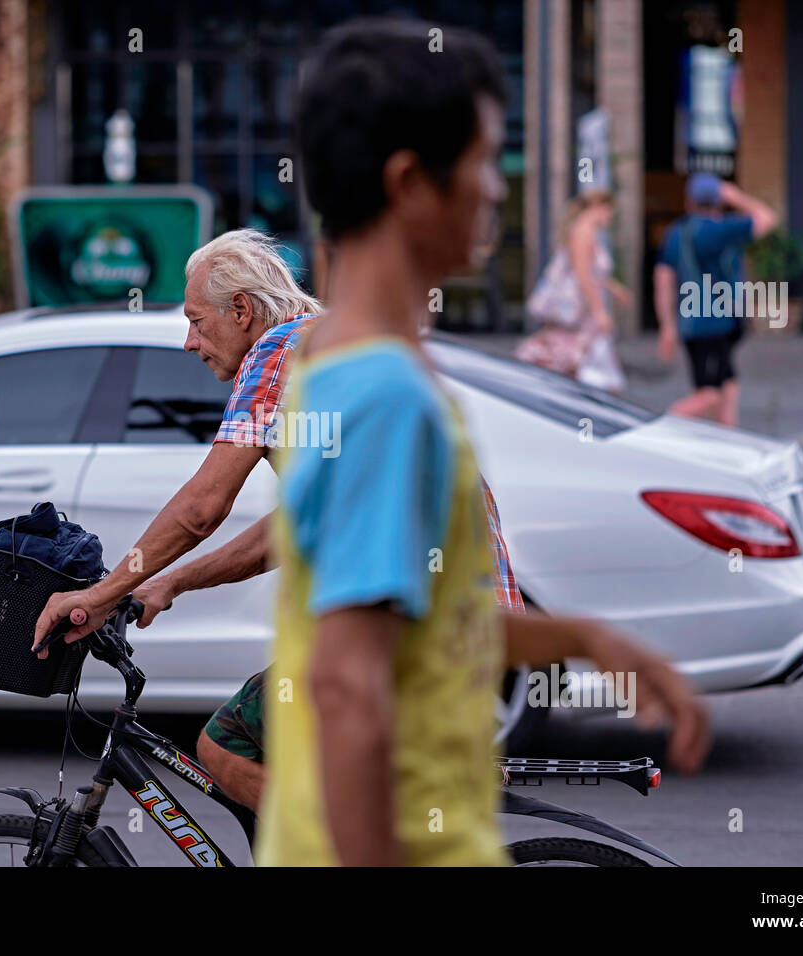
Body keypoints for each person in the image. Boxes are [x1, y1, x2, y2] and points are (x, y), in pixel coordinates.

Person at [257, 16, 710, 866]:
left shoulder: (339, 367)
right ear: (409, 184)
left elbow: (430, 627)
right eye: (482, 162)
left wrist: (585, 639)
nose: (498, 189)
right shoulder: (384, 395)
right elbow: (348, 687)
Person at [33, 225, 525, 812]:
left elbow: (201, 507)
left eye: (196, 321)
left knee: (227, 746)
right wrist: (171, 582)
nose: (189, 342)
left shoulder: (275, 356)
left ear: (241, 309)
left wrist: (107, 592)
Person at [655, 172, 778, 426]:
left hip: (692, 324)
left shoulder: (675, 234)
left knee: (728, 388)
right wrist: (736, 196)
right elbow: (768, 219)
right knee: (710, 393)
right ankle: (660, 428)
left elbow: (663, 282)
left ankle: (725, 447)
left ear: (689, 201)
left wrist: (667, 326)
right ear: (719, 200)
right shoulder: (724, 228)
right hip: (717, 324)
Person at [516, 190, 631, 392]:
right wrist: (599, 311)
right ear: (597, 207)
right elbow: (582, 274)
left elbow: (593, 273)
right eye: (608, 210)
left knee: (585, 372)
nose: (610, 216)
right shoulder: (583, 231)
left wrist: (614, 288)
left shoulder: (588, 232)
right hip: (579, 315)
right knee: (589, 374)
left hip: (582, 317)